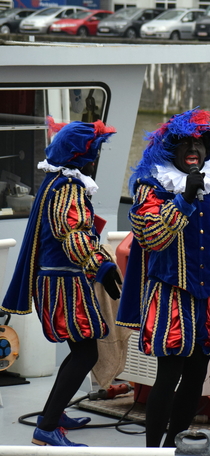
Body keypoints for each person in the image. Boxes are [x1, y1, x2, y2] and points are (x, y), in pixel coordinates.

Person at [116, 108, 210, 447]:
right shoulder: (153, 187)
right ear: (172, 150)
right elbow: (152, 238)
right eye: (186, 144)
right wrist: (185, 198)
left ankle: (176, 445)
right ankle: (153, 451)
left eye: (200, 143)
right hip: (171, 298)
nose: (194, 149)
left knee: (195, 377)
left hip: (208, 298)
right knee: (168, 376)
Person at [0, 118, 121, 447]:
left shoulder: (57, 182)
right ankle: (48, 427)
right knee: (86, 353)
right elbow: (73, 234)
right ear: (81, 156)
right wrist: (102, 266)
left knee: (80, 350)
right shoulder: (69, 189)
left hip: (59, 281)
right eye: (93, 152)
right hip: (63, 285)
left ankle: (50, 415)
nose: (95, 159)